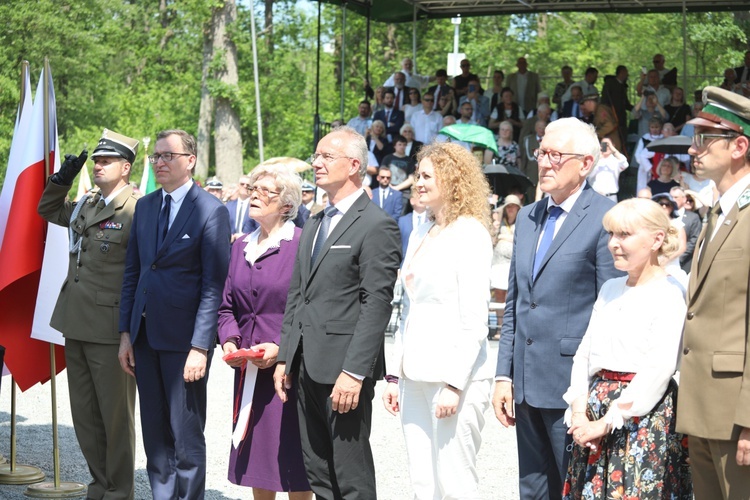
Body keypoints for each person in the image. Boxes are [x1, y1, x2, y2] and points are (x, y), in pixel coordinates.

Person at [492, 118, 622, 500]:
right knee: (532, 489)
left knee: (574, 487)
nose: (544, 162)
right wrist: (504, 375)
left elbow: (608, 311)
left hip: (573, 388)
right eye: (540, 152)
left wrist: (592, 390)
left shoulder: (603, 219)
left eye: (555, 155)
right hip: (526, 385)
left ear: (585, 163)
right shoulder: (529, 218)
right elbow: (516, 303)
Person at [273, 126, 401, 500]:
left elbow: (376, 304)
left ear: (355, 165)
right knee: (317, 470)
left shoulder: (377, 225)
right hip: (306, 364)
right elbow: (299, 295)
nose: (317, 163)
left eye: (327, 156)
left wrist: (355, 372)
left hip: (345, 371)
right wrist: (285, 358)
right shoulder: (313, 222)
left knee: (351, 474)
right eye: (316, 155)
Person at [118, 129, 231, 499]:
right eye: (156, 156)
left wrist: (201, 346)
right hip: (144, 337)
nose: (160, 162)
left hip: (185, 343)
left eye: (168, 156)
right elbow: (133, 272)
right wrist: (125, 334)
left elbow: (214, 285)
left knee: (185, 435)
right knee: (154, 435)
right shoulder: (147, 206)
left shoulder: (210, 210)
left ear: (190, 160)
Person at [382, 142, 494, 499]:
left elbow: (475, 318)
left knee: (455, 481)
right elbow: (410, 310)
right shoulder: (420, 231)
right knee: (422, 481)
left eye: (426, 175)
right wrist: (393, 374)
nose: (418, 182)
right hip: (414, 375)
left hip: (454, 378)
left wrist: (455, 384)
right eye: (418, 174)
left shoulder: (470, 233)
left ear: (452, 180)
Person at [562, 198, 692, 500]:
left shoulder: (671, 292)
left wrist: (606, 423)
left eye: (624, 235)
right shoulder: (610, 288)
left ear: (657, 239)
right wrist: (580, 414)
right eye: (611, 234)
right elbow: (584, 354)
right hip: (595, 409)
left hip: (641, 417)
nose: (613, 244)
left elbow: (658, 369)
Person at [37, 129, 139, 500]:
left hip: (110, 329)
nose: (98, 165)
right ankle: (100, 487)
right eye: (96, 160)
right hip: (75, 321)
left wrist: (131, 330)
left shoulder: (136, 209)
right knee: (85, 416)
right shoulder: (88, 203)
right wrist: (61, 180)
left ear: (125, 167)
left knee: (115, 419)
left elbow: (140, 274)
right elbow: (48, 210)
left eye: (106, 160)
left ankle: (120, 491)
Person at [217, 163, 312, 499]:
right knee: (258, 461)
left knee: (294, 465)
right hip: (249, 370)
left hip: (289, 370)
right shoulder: (240, 244)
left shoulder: (302, 244)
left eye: (265, 191)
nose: (254, 194)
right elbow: (226, 304)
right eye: (254, 188)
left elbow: (309, 309)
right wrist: (229, 341)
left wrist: (281, 348)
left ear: (287, 205)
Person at [677, 86, 750, 499]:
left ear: (739, 145)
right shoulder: (717, 214)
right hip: (702, 407)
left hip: (736, 416)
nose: (693, 149)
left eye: (706, 138)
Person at [490, 194, 522, 302]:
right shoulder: (499, 222)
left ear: (518, 208)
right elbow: (493, 242)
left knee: (511, 294)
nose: (511, 208)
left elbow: (521, 240)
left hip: (513, 263)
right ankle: (500, 319)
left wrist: (503, 236)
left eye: (513, 206)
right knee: (499, 293)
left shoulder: (522, 222)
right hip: (498, 262)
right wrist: (494, 231)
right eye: (508, 206)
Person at [587, 137, 627, 201]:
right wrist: (598, 159)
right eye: (603, 144)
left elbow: (625, 164)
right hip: (595, 195)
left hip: (611, 196)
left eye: (608, 145)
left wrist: (614, 150)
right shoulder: (594, 160)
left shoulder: (616, 160)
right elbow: (589, 175)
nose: (606, 147)